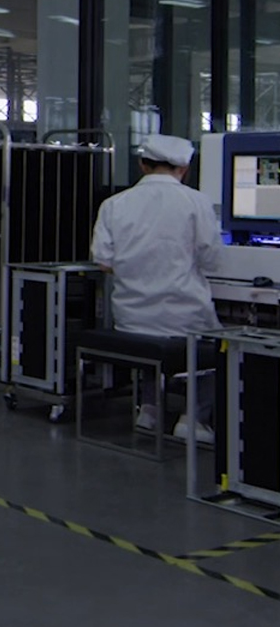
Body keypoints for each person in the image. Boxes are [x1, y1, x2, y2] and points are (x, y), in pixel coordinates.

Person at [91, 133, 222, 444]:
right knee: (218, 347)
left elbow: (103, 262)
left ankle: (149, 410)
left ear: (142, 165)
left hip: (130, 318)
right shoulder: (197, 202)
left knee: (151, 343)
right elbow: (213, 260)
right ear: (184, 169)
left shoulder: (114, 204)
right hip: (184, 316)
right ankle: (194, 419)